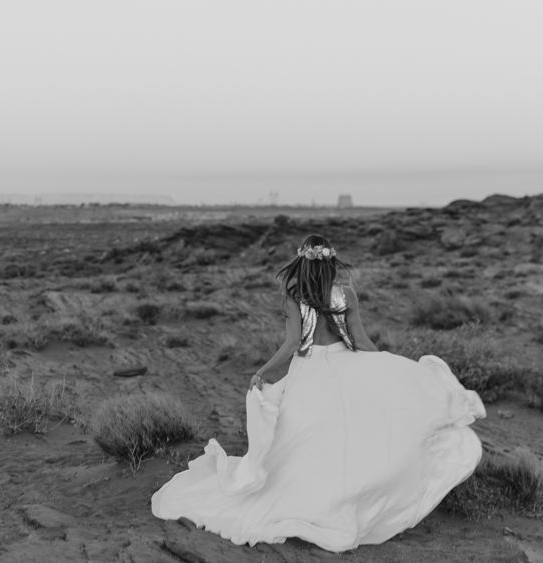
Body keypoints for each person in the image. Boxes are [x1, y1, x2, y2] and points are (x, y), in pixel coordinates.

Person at [151, 234, 485, 553]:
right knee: (348, 439)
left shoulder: (293, 294)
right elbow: (362, 342)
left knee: (302, 443)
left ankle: (313, 501)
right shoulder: (347, 295)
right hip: (346, 365)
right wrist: (388, 366)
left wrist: (263, 372)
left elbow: (293, 344)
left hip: (309, 372)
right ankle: (348, 501)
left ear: (302, 263)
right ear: (331, 263)